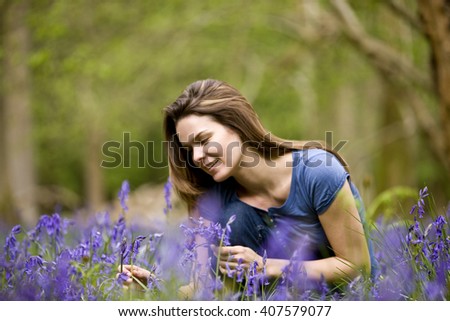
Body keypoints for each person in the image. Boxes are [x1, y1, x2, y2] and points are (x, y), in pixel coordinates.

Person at [119, 79, 375, 298]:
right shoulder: (213, 201)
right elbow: (206, 288)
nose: (196, 156)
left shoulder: (318, 172)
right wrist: (156, 286)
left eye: (203, 140)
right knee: (237, 217)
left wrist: (266, 266)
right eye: (189, 149)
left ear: (235, 125)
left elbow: (358, 268)